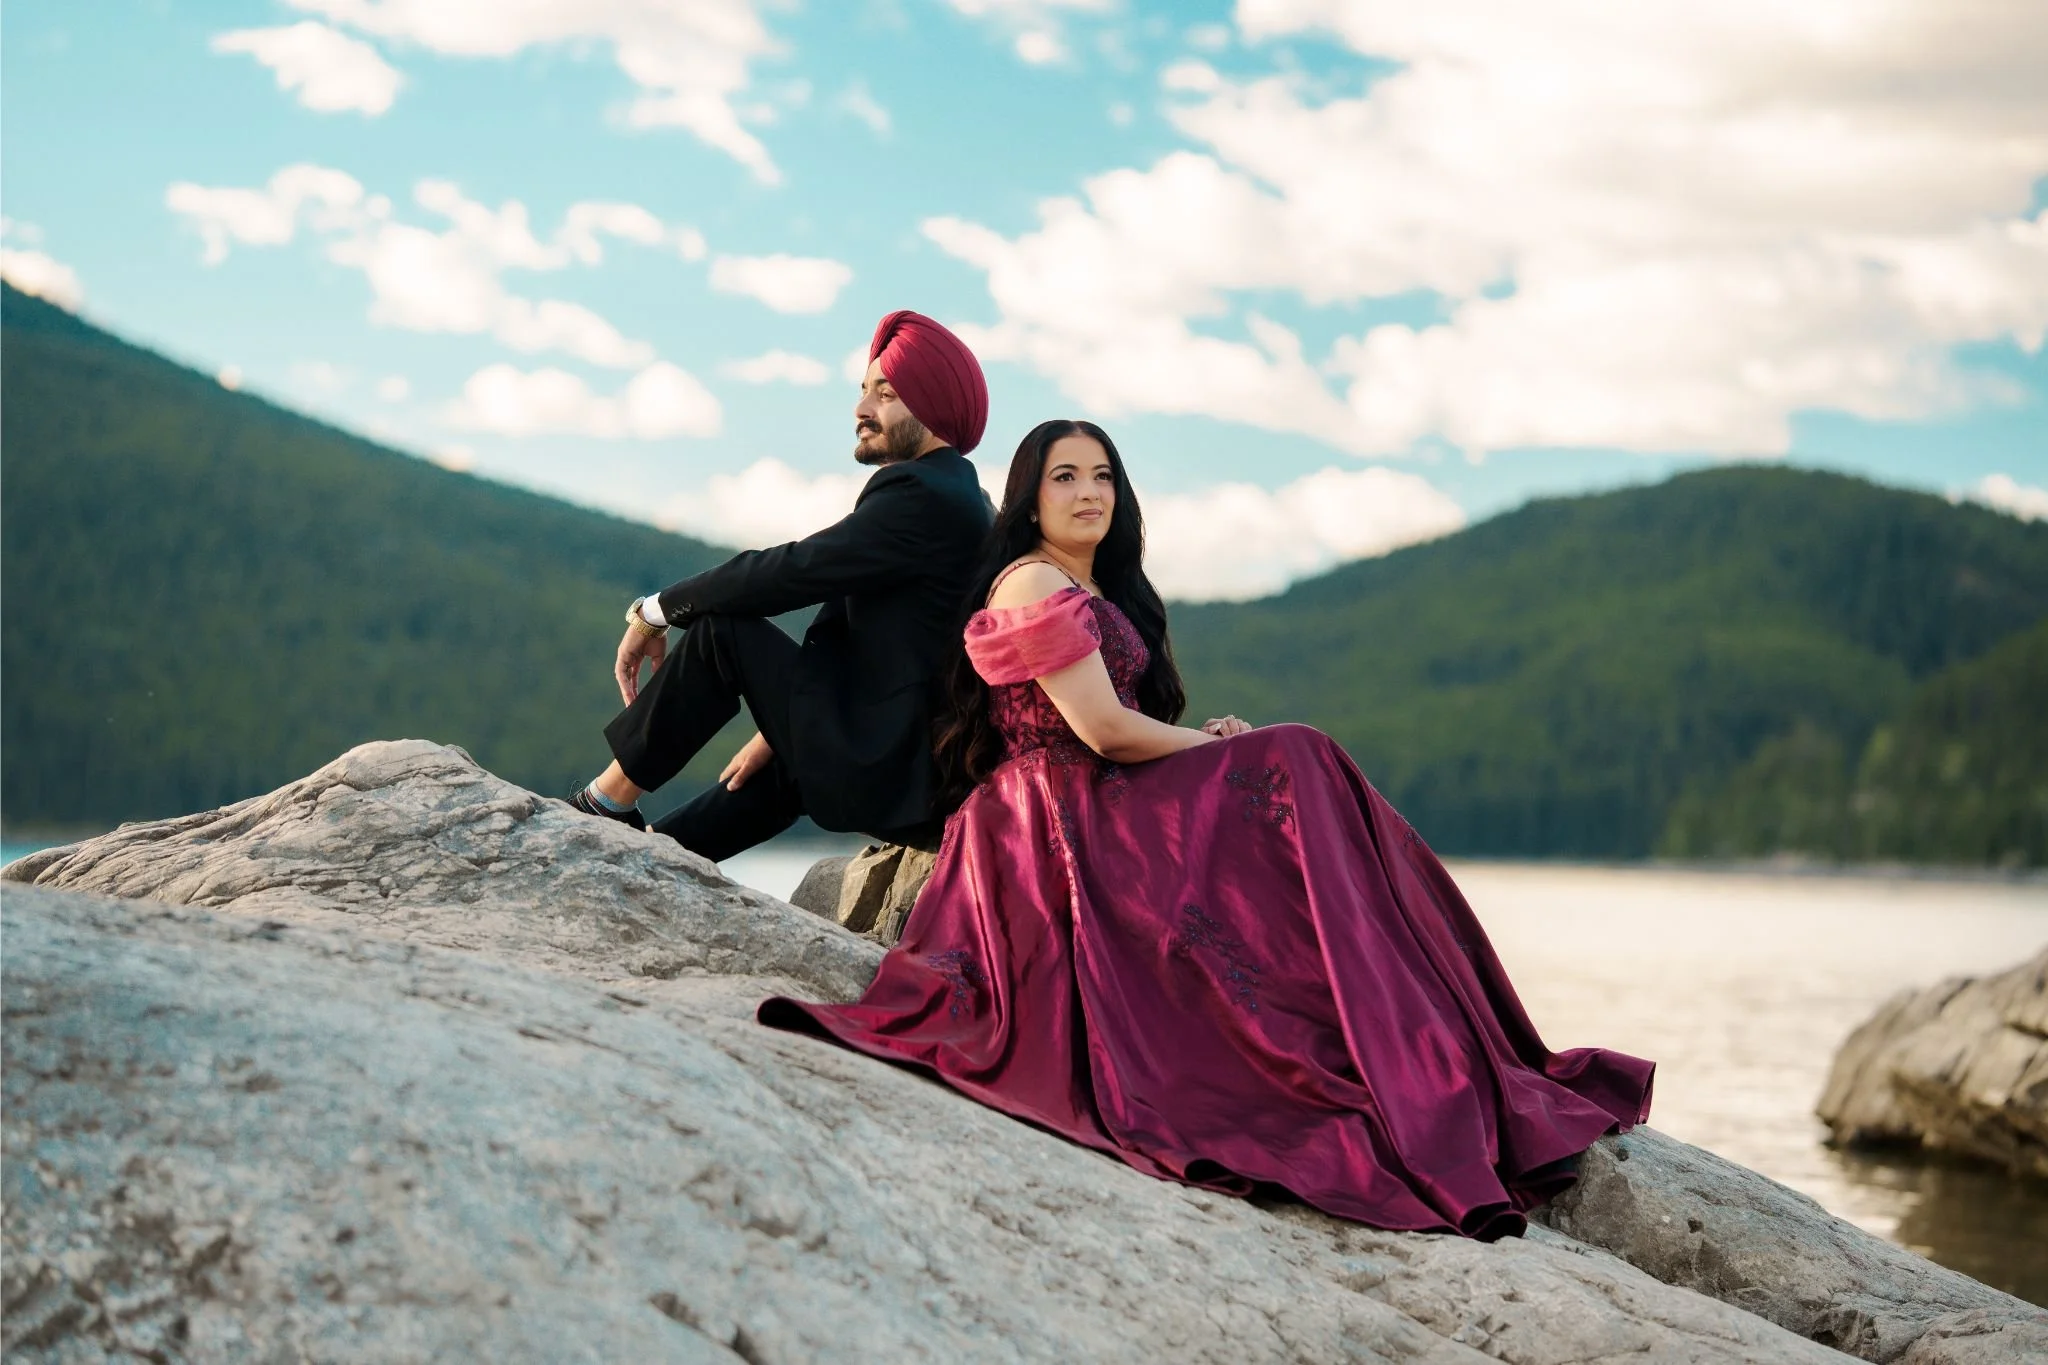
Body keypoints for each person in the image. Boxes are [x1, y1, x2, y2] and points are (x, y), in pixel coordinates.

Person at [760, 419, 1654, 1240]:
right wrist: (1209, 744)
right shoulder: (1032, 577)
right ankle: (1402, 1039)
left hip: (1099, 796)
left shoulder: (1092, 585)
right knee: (1296, 755)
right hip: (1056, 813)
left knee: (1302, 770)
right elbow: (1103, 731)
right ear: (1029, 497)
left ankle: (1417, 1033)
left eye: (1103, 475)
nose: (1088, 492)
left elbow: (1120, 731)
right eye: (1064, 476)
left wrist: (1208, 743)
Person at [567, 311, 993, 861]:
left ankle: (605, 804)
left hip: (894, 769)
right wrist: (780, 729)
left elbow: (792, 572)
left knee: (724, 633)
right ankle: (652, 857)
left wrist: (657, 610)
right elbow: (875, 640)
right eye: (863, 391)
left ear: (932, 405)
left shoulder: (922, 495)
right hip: (914, 774)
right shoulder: (963, 499)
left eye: (885, 394)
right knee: (771, 771)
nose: (861, 409)